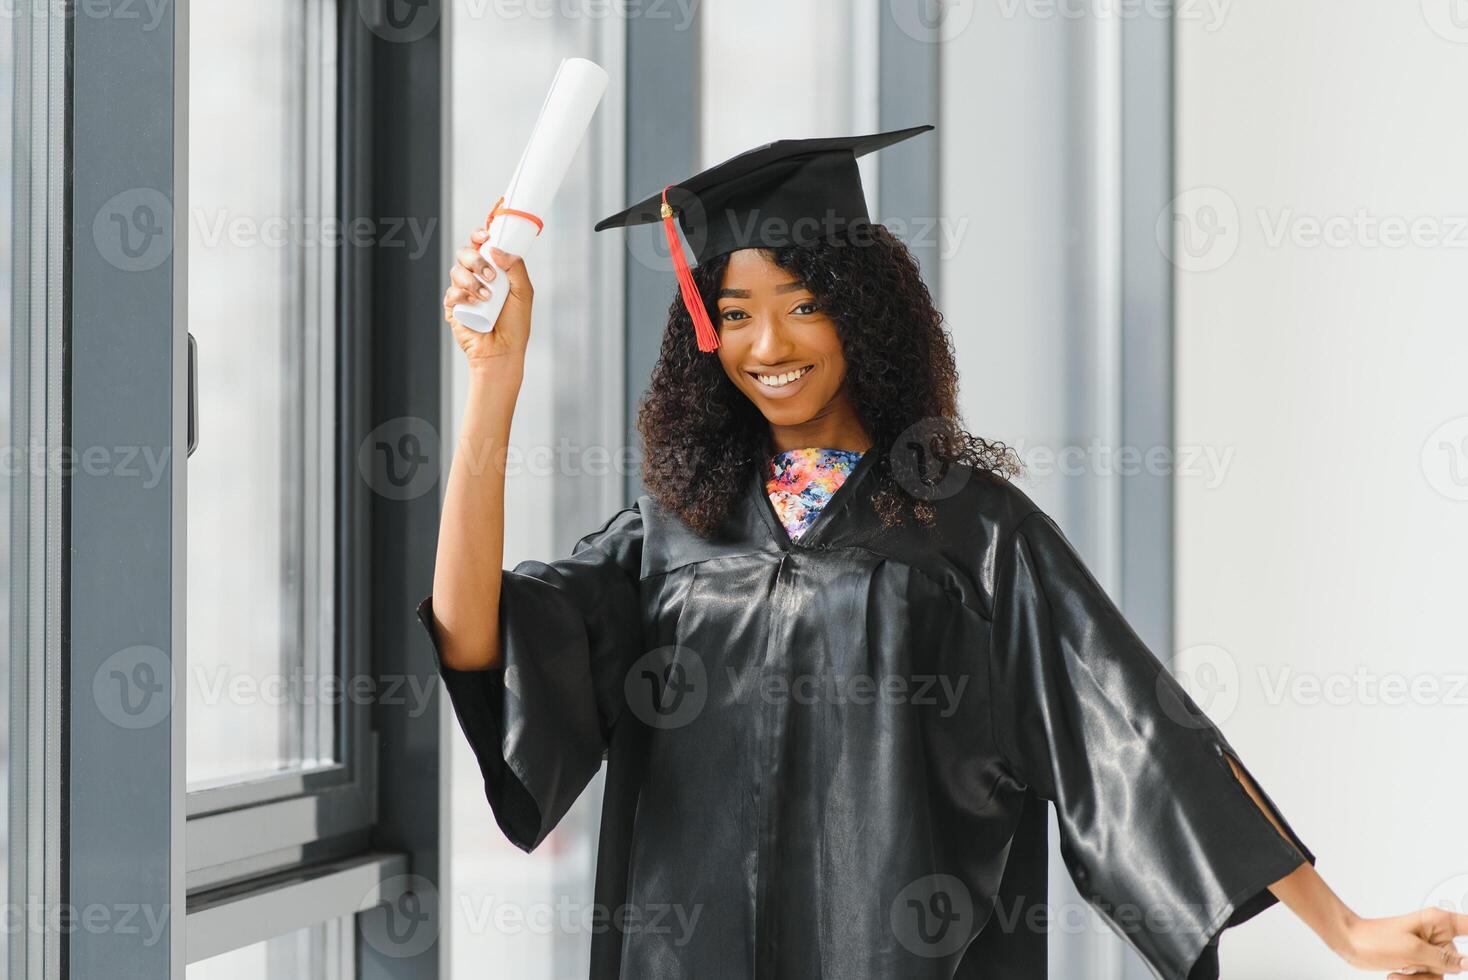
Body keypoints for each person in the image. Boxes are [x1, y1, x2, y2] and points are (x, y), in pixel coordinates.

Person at [421, 126, 1467, 979]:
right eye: (735, 314)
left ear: (865, 314)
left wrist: (1341, 927)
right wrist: (495, 384)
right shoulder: (671, 529)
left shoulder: (969, 528)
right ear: (704, 336)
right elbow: (480, 640)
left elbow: (1139, 731)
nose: (770, 346)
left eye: (803, 305)